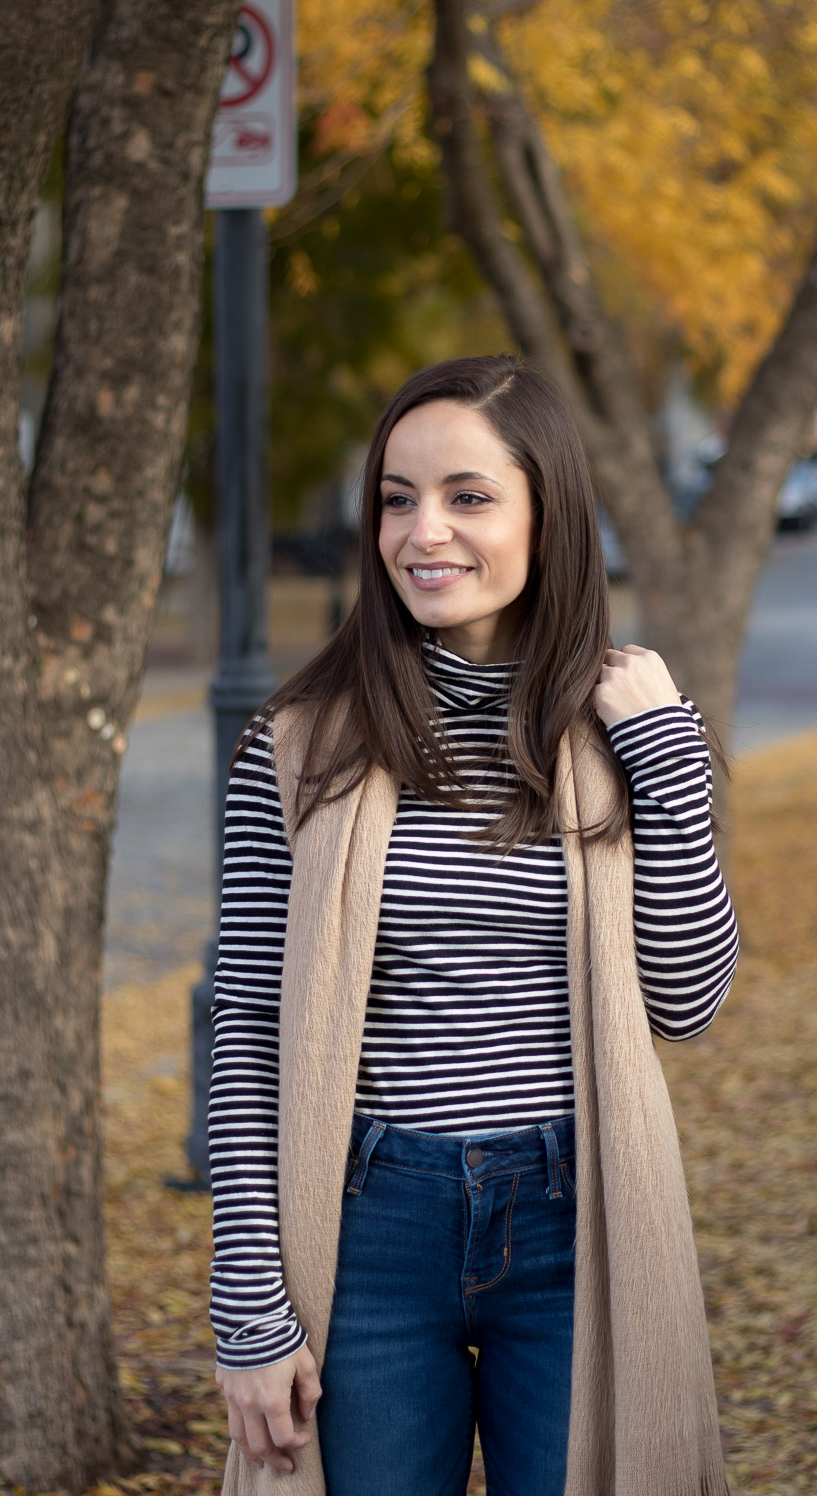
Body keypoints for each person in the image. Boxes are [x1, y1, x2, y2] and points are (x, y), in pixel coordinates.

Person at [209, 355, 738, 1496]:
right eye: (396, 499)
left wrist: (664, 759)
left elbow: (686, 1003)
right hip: (366, 1233)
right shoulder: (298, 746)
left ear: (547, 514)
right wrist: (247, 1304)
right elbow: (252, 1028)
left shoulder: (619, 734)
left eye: (468, 496)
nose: (422, 531)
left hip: (574, 1224)